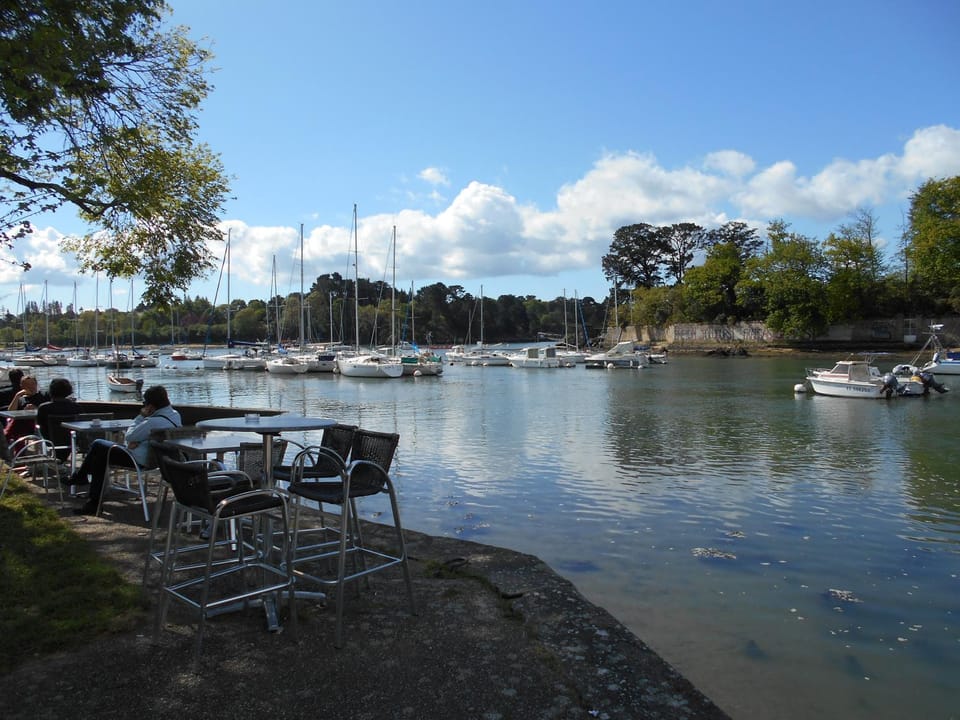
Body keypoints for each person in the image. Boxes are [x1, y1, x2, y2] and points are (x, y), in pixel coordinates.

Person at [67, 385, 181, 515]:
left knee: (98, 445)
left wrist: (141, 416)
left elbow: (129, 436)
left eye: (145, 403)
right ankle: (92, 499)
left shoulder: (152, 422)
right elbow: (134, 438)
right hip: (157, 461)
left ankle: (83, 481)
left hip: (137, 459)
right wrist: (138, 440)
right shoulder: (175, 416)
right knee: (101, 455)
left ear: (151, 406)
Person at [36, 378, 83, 460]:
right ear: (68, 390)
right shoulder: (76, 407)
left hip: (50, 441)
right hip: (72, 440)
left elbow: (40, 426)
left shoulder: (44, 408)